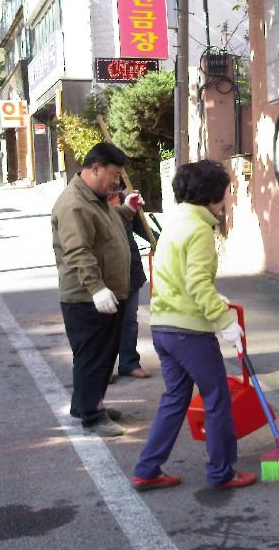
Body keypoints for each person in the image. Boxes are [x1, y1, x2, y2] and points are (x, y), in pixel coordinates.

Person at [131, 159, 256, 491]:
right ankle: (222, 472)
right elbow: (198, 283)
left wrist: (213, 299)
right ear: (215, 194)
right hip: (189, 331)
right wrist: (225, 321)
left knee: (175, 398)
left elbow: (180, 276)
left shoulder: (175, 223)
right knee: (216, 398)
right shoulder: (200, 229)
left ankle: (147, 468)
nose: (228, 198)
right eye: (227, 191)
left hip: (163, 326)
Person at [51, 142, 145, 437]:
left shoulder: (96, 199)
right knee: (93, 357)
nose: (117, 182)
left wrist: (126, 211)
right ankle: (92, 415)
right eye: (114, 174)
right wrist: (96, 288)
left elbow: (108, 225)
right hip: (86, 297)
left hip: (105, 292)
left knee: (102, 354)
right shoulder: (74, 204)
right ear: (95, 169)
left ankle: (87, 404)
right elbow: (77, 250)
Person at [107, 182, 155, 381]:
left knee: (129, 320)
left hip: (131, 269)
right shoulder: (93, 203)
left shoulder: (129, 199)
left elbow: (144, 230)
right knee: (106, 323)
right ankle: (104, 367)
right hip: (107, 272)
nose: (115, 183)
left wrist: (157, 241)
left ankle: (129, 363)